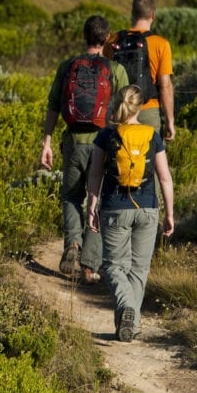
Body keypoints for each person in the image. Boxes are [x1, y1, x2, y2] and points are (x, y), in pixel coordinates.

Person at [40, 15, 128, 283]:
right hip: (103, 143)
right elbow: (126, 110)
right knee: (97, 199)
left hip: (73, 143)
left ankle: (73, 244)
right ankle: (90, 266)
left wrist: (47, 142)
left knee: (70, 196)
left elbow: (54, 105)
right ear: (106, 38)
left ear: (84, 36)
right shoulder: (115, 70)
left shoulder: (67, 66)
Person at [87, 84, 175, 341]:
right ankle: (130, 326)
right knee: (138, 270)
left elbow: (95, 173)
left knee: (114, 267)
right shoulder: (152, 135)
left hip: (115, 207)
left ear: (118, 104)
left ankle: (126, 311)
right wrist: (169, 213)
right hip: (147, 208)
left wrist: (91, 204)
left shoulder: (106, 135)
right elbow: (165, 178)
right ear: (139, 107)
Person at [106, 0, 176, 142]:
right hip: (148, 111)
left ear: (132, 13)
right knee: (149, 160)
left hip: (120, 111)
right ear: (153, 15)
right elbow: (165, 86)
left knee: (119, 159)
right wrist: (170, 120)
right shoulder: (161, 44)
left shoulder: (113, 40)